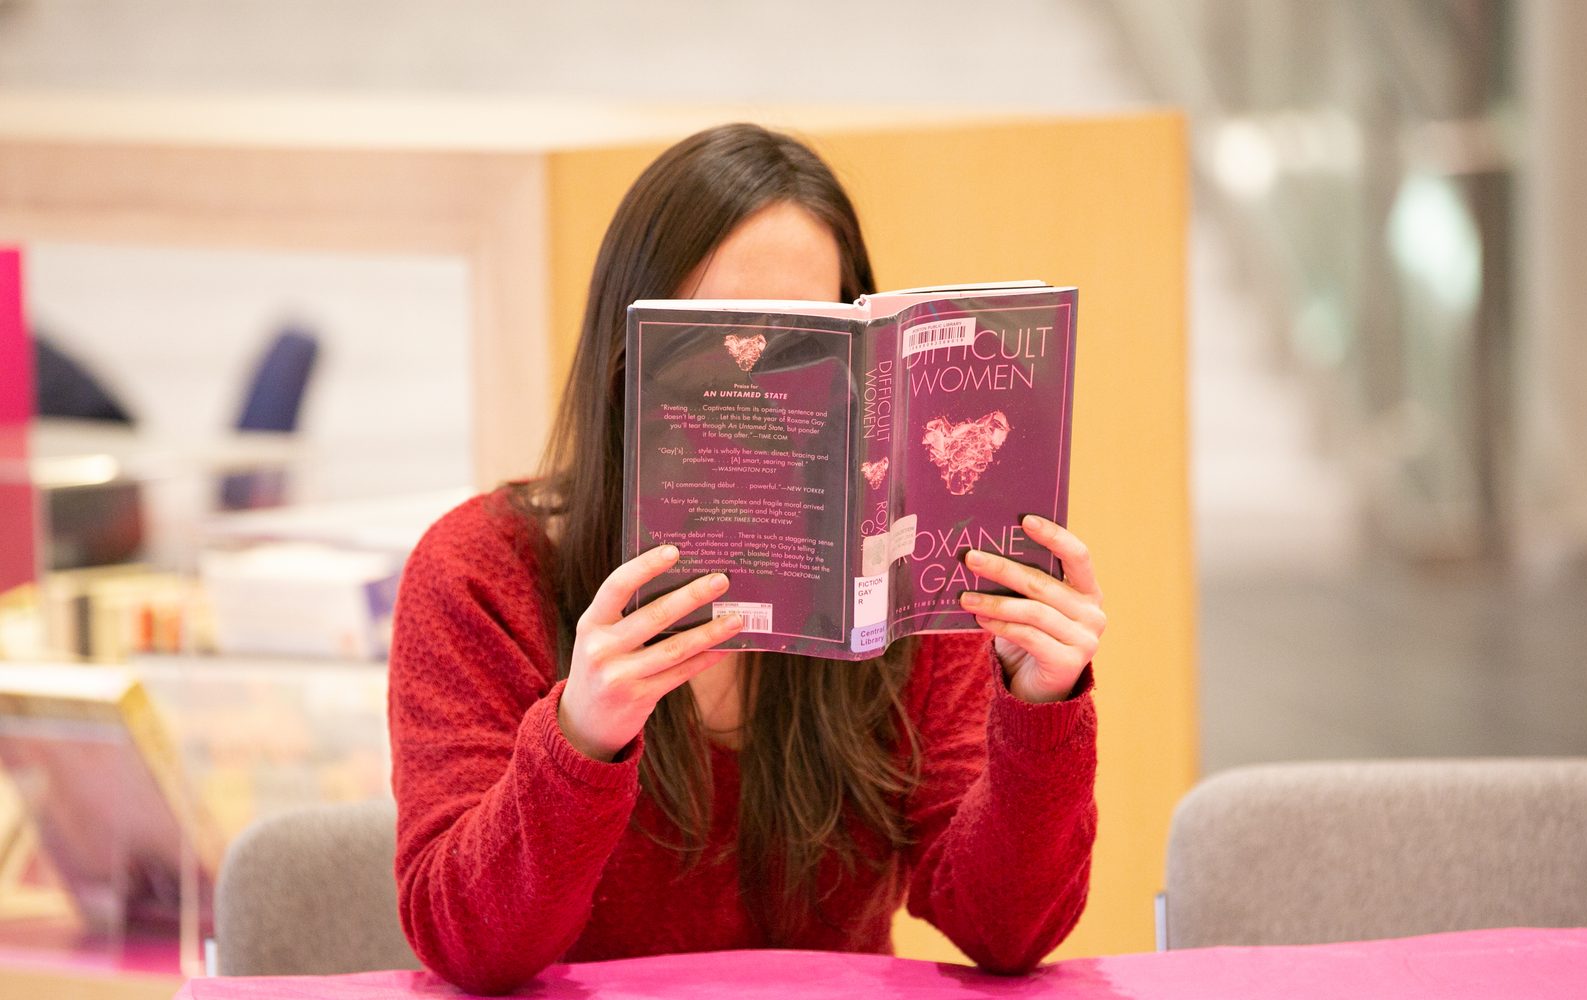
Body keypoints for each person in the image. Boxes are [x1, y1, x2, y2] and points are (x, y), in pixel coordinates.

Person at [388, 123, 1106, 995]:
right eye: (726, 336)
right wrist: (582, 737)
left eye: (810, 340)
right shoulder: (480, 574)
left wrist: (1040, 703)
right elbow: (467, 947)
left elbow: (1005, 931)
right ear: (628, 357)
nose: (768, 384)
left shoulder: (901, 565)